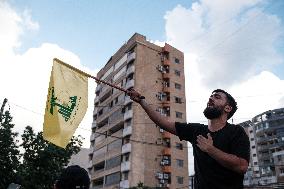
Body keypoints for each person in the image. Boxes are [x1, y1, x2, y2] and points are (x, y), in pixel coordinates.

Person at [127, 88, 250, 189]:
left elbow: (241, 166)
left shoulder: (236, 132)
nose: (210, 99)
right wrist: (142, 101)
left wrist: (210, 149)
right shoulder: (196, 130)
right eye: (211, 96)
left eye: (217, 97)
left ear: (227, 108)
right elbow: (164, 123)